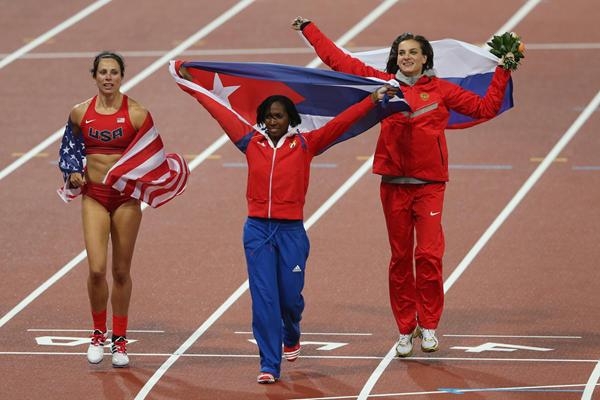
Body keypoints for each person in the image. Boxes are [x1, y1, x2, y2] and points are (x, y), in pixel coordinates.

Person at [292, 17, 518, 357]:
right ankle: (404, 329)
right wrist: (310, 30)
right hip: (393, 184)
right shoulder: (382, 85)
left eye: (413, 52)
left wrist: (503, 70)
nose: (407, 57)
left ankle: (428, 326)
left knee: (428, 254)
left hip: (429, 185)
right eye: (402, 52)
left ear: (426, 57)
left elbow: (485, 108)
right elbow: (339, 61)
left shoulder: (442, 90)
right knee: (400, 258)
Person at [175, 61, 396, 383]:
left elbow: (344, 121)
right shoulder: (250, 142)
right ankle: (269, 364)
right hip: (257, 231)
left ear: (290, 119)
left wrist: (373, 99)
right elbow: (217, 108)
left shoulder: (307, 144)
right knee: (264, 298)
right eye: (267, 116)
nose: (271, 121)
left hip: (291, 232)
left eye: (278, 116)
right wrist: (190, 83)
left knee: (290, 299)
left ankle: (292, 334)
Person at [61, 52, 149, 368]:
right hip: (94, 197)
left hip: (125, 200)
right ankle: (98, 333)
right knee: (97, 269)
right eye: (103, 72)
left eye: (113, 72)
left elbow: (152, 156)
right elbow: (68, 149)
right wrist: (72, 170)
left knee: (121, 272)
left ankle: (120, 341)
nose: (108, 77)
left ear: (121, 76)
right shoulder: (79, 113)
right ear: (95, 76)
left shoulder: (138, 114)